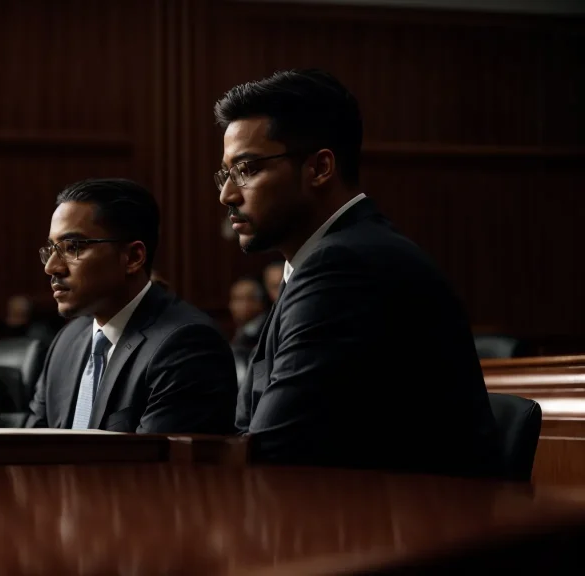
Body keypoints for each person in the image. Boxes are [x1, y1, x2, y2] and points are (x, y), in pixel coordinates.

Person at [215, 69, 499, 477]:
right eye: (226, 173)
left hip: (421, 530)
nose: (227, 194)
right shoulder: (328, 258)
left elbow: (272, 452)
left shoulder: (346, 266)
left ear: (320, 168)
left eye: (247, 168)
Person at [27, 178, 237, 434]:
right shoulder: (67, 341)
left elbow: (156, 470)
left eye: (72, 247)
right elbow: (30, 449)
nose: (52, 267)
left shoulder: (187, 344)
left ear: (134, 257)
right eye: (51, 249)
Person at [228, 277, 266, 351]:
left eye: (240, 299)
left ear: (258, 302)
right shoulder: (242, 330)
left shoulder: (265, 332)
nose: (233, 305)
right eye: (233, 299)